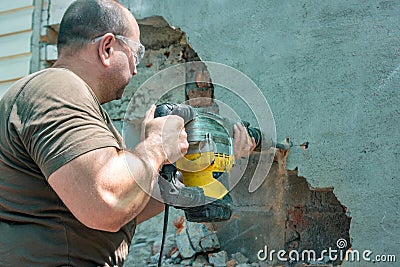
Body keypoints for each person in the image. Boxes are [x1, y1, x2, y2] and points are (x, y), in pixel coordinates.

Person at [0, 0, 255, 266]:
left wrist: (215, 162)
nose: (136, 68)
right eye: (136, 52)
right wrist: (156, 145)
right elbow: (107, 203)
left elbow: (129, 203)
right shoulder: (57, 89)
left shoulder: (72, 100)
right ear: (107, 48)